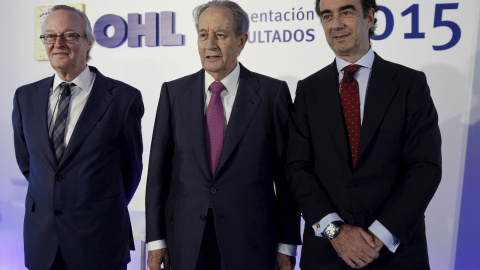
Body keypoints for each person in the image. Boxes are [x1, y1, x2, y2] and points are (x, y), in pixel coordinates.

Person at [285, 0, 442, 269]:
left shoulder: (410, 84)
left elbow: (425, 168)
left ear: (370, 17)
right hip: (326, 254)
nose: (335, 24)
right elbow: (296, 169)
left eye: (346, 12)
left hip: (396, 255)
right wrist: (335, 231)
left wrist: (378, 236)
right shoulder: (308, 90)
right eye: (327, 15)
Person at [145, 1, 301, 269]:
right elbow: (158, 173)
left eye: (221, 34)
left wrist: (286, 245)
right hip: (186, 240)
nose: (210, 44)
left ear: (241, 41)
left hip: (251, 242)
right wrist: (157, 240)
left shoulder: (271, 94)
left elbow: (286, 178)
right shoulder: (173, 93)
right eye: (203, 34)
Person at [12, 5, 144, 270]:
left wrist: (94, 206)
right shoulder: (25, 97)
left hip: (99, 242)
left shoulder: (123, 99)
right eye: (50, 36)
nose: (58, 43)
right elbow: (29, 164)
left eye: (69, 35)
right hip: (43, 243)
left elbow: (130, 172)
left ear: (89, 42)